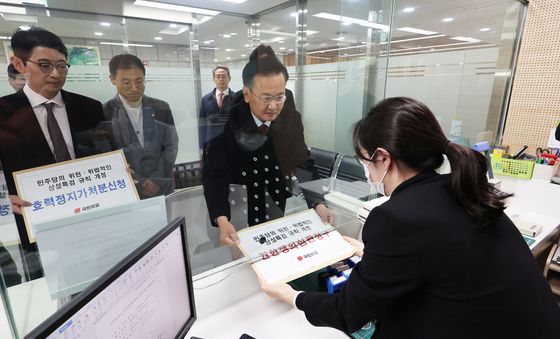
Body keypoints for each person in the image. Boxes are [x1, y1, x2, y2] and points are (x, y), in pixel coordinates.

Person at [260, 97, 560, 338]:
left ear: (383, 158)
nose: (366, 169)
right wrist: (376, 255)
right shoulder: (463, 188)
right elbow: (447, 254)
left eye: (363, 159)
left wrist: (293, 296)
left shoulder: (396, 218)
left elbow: (348, 312)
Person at [0, 27, 105, 277]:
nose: (56, 74)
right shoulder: (3, 114)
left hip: (93, 218)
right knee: (51, 289)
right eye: (45, 65)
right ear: (19, 63)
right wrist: (3, 200)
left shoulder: (89, 108)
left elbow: (103, 157)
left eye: (62, 66)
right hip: (37, 225)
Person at [202, 45, 333, 246]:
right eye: (265, 98)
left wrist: (318, 202)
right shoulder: (228, 119)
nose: (273, 106)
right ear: (247, 94)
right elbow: (215, 172)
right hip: (238, 201)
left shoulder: (290, 118)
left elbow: (302, 161)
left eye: (280, 97)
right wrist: (222, 218)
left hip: (275, 195)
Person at [104, 54, 178, 199]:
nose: (134, 88)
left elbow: (171, 145)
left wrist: (156, 179)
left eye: (139, 81)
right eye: (126, 82)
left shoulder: (161, 107)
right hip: (128, 187)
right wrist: (135, 180)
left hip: (162, 185)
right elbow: (106, 154)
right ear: (112, 79)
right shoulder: (104, 112)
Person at [198, 66, 235, 154]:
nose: (221, 79)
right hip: (211, 143)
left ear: (229, 78)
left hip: (232, 143)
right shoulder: (206, 99)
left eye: (223, 76)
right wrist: (202, 145)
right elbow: (202, 124)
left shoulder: (237, 98)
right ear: (214, 79)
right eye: (218, 76)